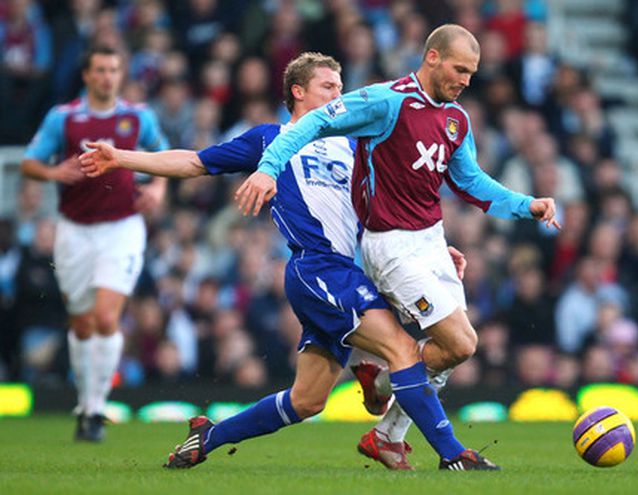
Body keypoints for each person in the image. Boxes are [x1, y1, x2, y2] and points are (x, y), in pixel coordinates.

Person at [79, 52, 501, 472]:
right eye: (329, 87)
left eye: (341, 86)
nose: (340, 94)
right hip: (319, 269)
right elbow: (194, 161)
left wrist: (427, 248)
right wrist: (122, 159)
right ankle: (450, 453)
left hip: (353, 271)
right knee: (403, 348)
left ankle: (210, 436)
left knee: (307, 400)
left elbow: (390, 205)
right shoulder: (271, 141)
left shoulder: (357, 142)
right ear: (298, 92)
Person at [235, 24, 560, 469]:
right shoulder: (386, 101)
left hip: (430, 241)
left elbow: (469, 182)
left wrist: (527, 205)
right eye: (459, 69)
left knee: (450, 352)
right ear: (432, 58)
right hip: (389, 245)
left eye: (472, 73)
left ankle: (387, 429)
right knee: (459, 342)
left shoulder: (456, 119)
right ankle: (445, 450)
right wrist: (269, 166)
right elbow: (316, 120)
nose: (466, 81)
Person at [21, 45, 168, 442]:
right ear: (86, 75)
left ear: (121, 75)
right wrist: (54, 172)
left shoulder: (137, 117)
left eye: (114, 69)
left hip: (122, 226)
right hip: (74, 228)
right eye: (100, 70)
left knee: (106, 317)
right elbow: (30, 162)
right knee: (82, 323)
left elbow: (164, 155)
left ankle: (96, 409)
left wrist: (156, 188)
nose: (107, 76)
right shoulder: (64, 118)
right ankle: (85, 404)